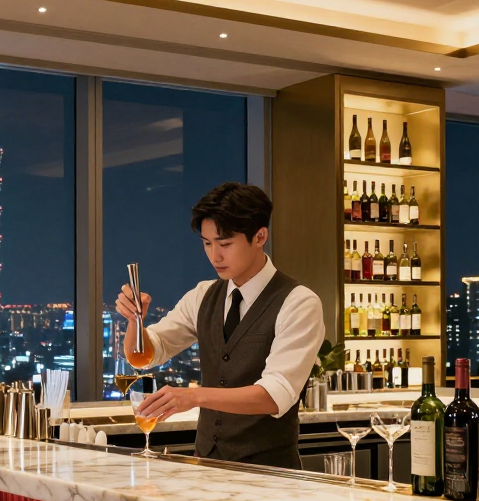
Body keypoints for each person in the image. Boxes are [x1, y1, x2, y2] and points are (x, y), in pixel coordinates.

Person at [115, 182, 324, 469]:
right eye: (207, 243)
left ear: (260, 236)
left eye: (225, 244)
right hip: (206, 466)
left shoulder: (298, 302)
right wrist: (134, 321)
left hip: (271, 475)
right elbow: (147, 355)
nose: (215, 256)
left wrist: (194, 396)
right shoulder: (203, 296)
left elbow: (275, 396)